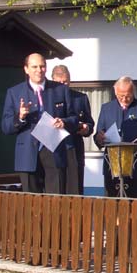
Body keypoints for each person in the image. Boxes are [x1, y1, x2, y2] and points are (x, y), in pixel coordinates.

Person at [1, 53, 77, 194]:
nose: (39, 70)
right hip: (27, 155)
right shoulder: (14, 92)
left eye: (42, 66)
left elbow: (74, 118)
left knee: (55, 200)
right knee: (31, 202)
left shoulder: (60, 89)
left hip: (54, 152)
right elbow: (6, 126)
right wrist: (20, 117)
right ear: (26, 69)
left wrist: (64, 122)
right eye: (34, 67)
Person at [94, 77, 137, 198]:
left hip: (136, 166)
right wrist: (99, 138)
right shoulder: (107, 108)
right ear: (115, 92)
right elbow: (98, 134)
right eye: (120, 96)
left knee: (135, 205)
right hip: (112, 167)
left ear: (133, 92)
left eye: (128, 96)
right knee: (111, 205)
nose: (124, 99)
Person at [51, 65, 95, 195]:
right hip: (53, 151)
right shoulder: (48, 98)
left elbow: (90, 123)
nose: (63, 85)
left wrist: (86, 128)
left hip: (75, 150)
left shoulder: (80, 98)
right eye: (59, 82)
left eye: (65, 82)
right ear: (52, 80)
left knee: (75, 192)